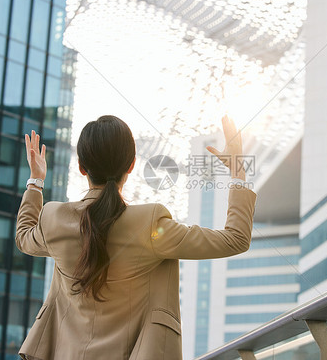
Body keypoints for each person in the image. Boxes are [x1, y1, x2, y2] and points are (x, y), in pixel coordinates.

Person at [16, 114, 257, 360]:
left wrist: (36, 181)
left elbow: (24, 236)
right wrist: (238, 170)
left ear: (81, 167)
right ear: (131, 165)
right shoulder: (149, 224)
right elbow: (235, 239)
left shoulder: (55, 219)